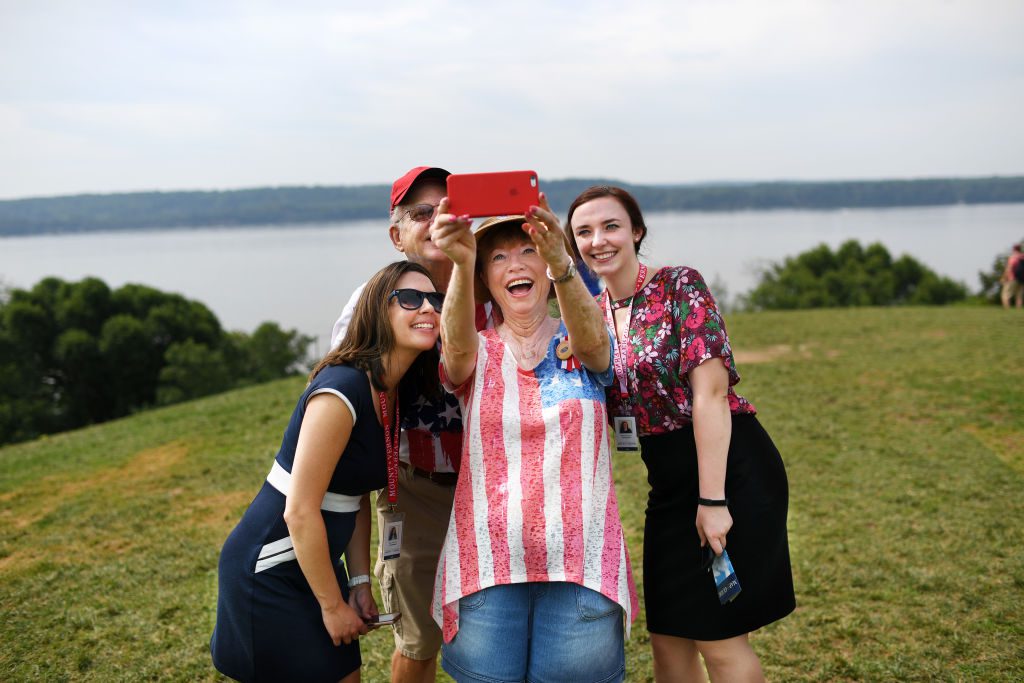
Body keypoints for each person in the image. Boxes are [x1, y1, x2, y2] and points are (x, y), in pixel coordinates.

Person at [565, 186, 795, 683]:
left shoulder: (678, 287)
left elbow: (711, 398)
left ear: (636, 231)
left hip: (729, 469)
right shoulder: (589, 317)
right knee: (668, 636)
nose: (598, 240)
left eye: (611, 226)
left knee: (719, 637)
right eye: (583, 232)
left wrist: (713, 502)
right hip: (666, 485)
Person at [429, 198, 638, 683]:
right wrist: (460, 262)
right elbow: (455, 352)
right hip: (486, 568)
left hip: (581, 565)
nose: (516, 265)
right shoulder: (476, 349)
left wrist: (565, 262)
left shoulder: (583, 336)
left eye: (528, 250)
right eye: (498, 257)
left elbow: (598, 352)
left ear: (548, 263)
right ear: (485, 277)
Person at [211, 261, 442, 682]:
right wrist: (332, 606)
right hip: (271, 569)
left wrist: (356, 582)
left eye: (435, 300)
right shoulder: (341, 390)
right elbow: (298, 511)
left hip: (316, 564)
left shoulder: (389, 391)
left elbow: (351, 496)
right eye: (410, 298)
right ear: (377, 310)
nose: (427, 308)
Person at [329, 166, 495, 683]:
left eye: (449, 210)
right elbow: (345, 403)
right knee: (419, 637)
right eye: (422, 213)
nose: (437, 221)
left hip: (496, 486)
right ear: (397, 234)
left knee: (496, 632)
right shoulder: (376, 302)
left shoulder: (498, 285)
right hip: (417, 488)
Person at [1000, 243, 1023, 309]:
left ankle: (1007, 309)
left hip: (1013, 278)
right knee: (1019, 296)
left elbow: (1009, 268)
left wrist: (1003, 277)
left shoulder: (1013, 257)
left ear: (1014, 249)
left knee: (1005, 294)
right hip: (1022, 279)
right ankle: (1018, 310)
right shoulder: (1022, 256)